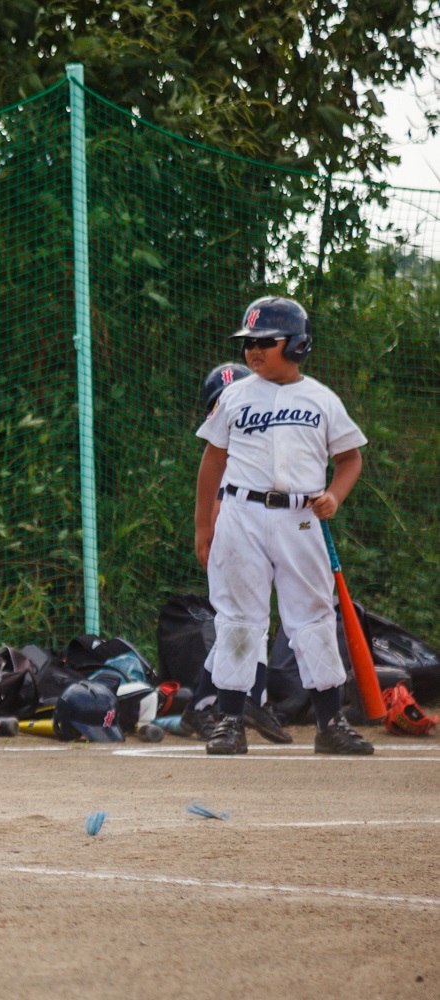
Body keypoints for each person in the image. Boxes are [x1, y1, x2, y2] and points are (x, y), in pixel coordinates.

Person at [193, 296, 372, 755]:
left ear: (296, 345)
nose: (253, 351)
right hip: (241, 515)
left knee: (312, 617)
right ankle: (230, 721)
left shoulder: (321, 399)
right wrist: (203, 528)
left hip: (301, 518)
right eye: (248, 342)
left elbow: (350, 459)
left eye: (265, 342)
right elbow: (212, 461)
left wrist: (334, 494)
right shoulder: (234, 396)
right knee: (237, 617)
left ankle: (329, 723)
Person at [179, 363, 291, 745]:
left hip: (253, 544)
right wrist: (207, 535)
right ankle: (206, 704)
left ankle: (247, 698)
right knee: (240, 624)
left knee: (251, 624)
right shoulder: (226, 453)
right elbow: (217, 500)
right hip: (229, 545)